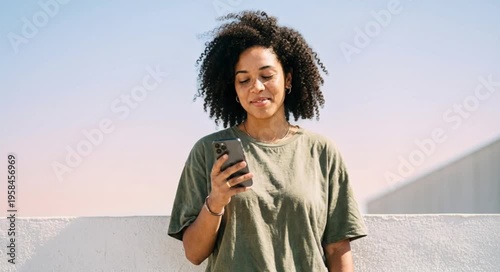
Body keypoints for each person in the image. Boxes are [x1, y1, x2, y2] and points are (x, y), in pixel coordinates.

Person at [168, 10, 368, 272]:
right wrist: (216, 200)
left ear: (288, 79)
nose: (257, 87)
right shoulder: (207, 151)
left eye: (267, 75)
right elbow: (194, 253)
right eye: (244, 79)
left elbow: (337, 249)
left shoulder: (322, 152)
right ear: (234, 89)